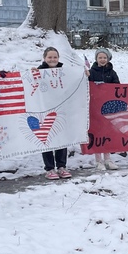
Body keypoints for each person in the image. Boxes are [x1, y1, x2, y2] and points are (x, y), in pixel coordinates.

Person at [37, 47, 72, 179]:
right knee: (46, 139)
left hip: (61, 110)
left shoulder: (64, 72)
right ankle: (50, 168)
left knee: (61, 139)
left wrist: (83, 74)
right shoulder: (39, 72)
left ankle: (62, 166)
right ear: (44, 58)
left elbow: (74, 83)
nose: (52, 59)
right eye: (49, 57)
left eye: (55, 57)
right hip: (44, 110)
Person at [88, 48, 120, 170]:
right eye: (100, 57)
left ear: (108, 59)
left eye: (104, 58)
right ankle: (98, 160)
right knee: (97, 133)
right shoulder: (91, 72)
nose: (102, 59)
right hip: (95, 107)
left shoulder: (112, 73)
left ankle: (108, 159)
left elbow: (117, 87)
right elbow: (86, 86)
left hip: (108, 107)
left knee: (107, 133)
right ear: (96, 59)